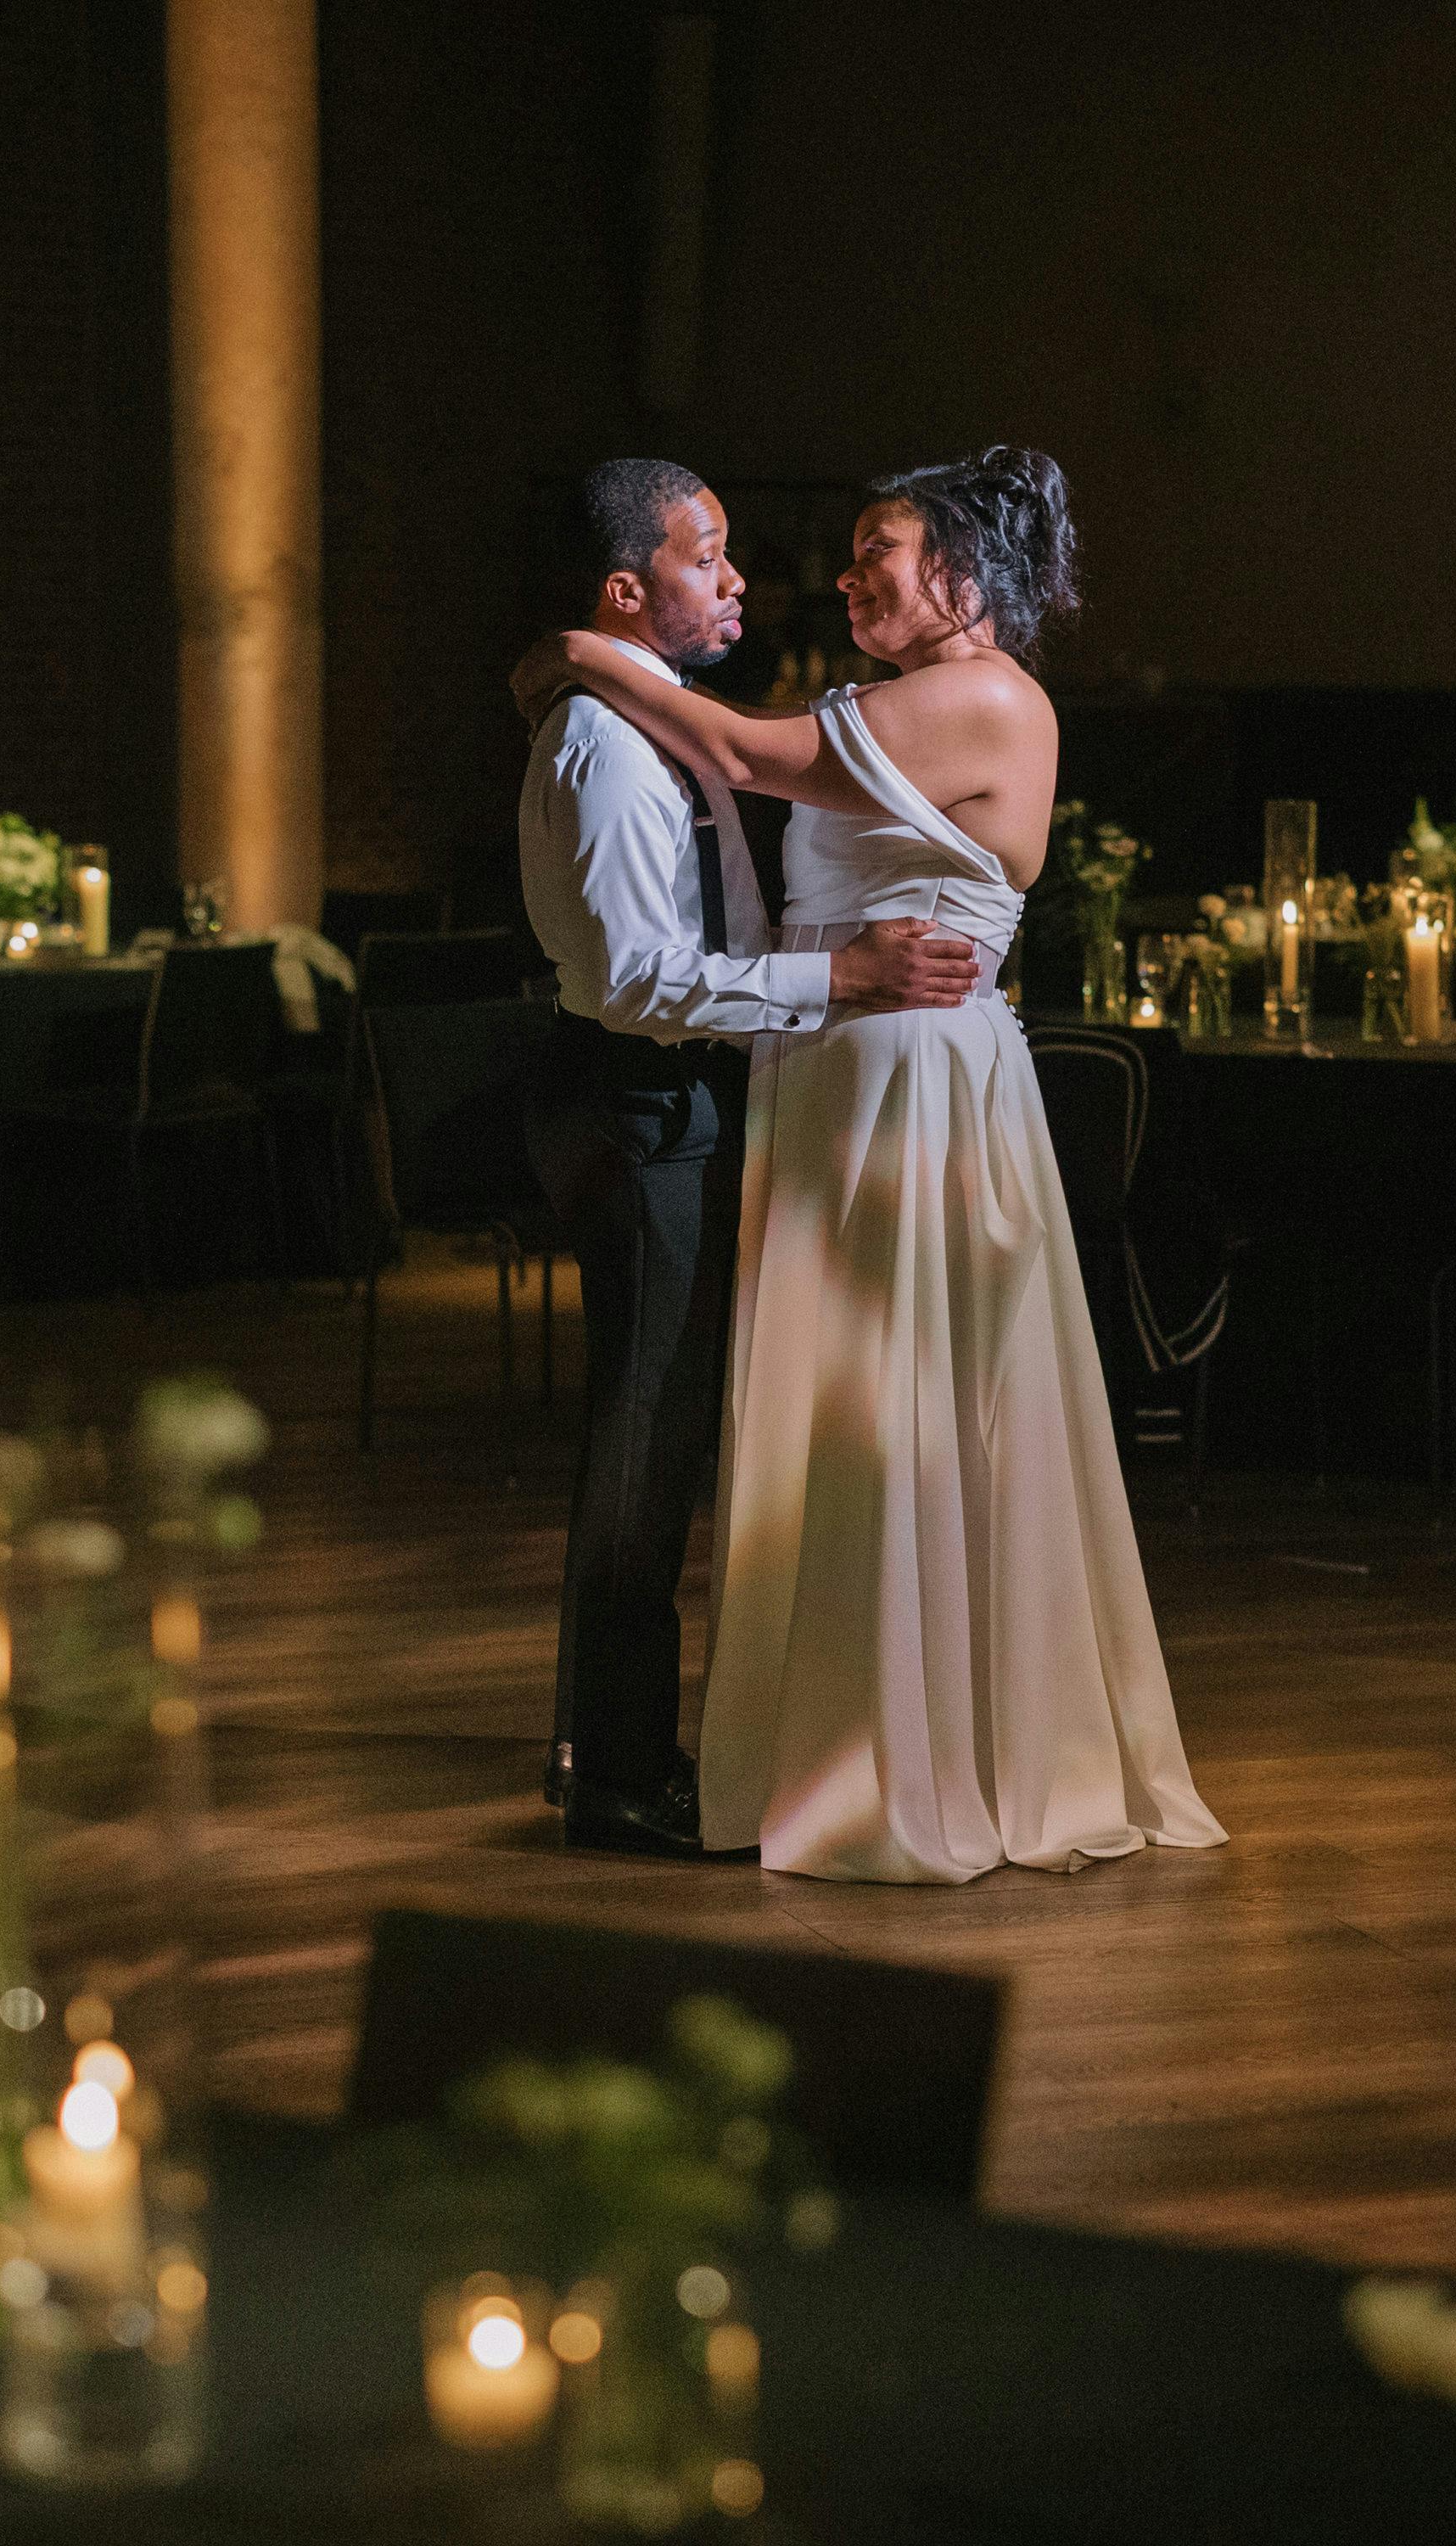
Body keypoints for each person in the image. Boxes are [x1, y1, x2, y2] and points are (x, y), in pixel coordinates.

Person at [521, 446, 1227, 1883]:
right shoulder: (913, 701)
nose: (841, 579)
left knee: (901, 1415)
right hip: (840, 1064)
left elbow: (734, 753)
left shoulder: (975, 697)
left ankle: (906, 1750)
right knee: (846, 1421)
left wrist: (573, 656)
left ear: (963, 579)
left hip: (906, 1081)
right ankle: (837, 1734)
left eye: (877, 554)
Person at [518, 458, 983, 1859]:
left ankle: (606, 1746)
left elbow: (703, 940)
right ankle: (613, 1772)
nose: (736, 581)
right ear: (627, 592)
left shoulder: (663, 732)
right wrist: (840, 975)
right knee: (644, 1446)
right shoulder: (604, 748)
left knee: (663, 1439)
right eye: (706, 559)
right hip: (640, 1096)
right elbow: (641, 983)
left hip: (682, 1095)